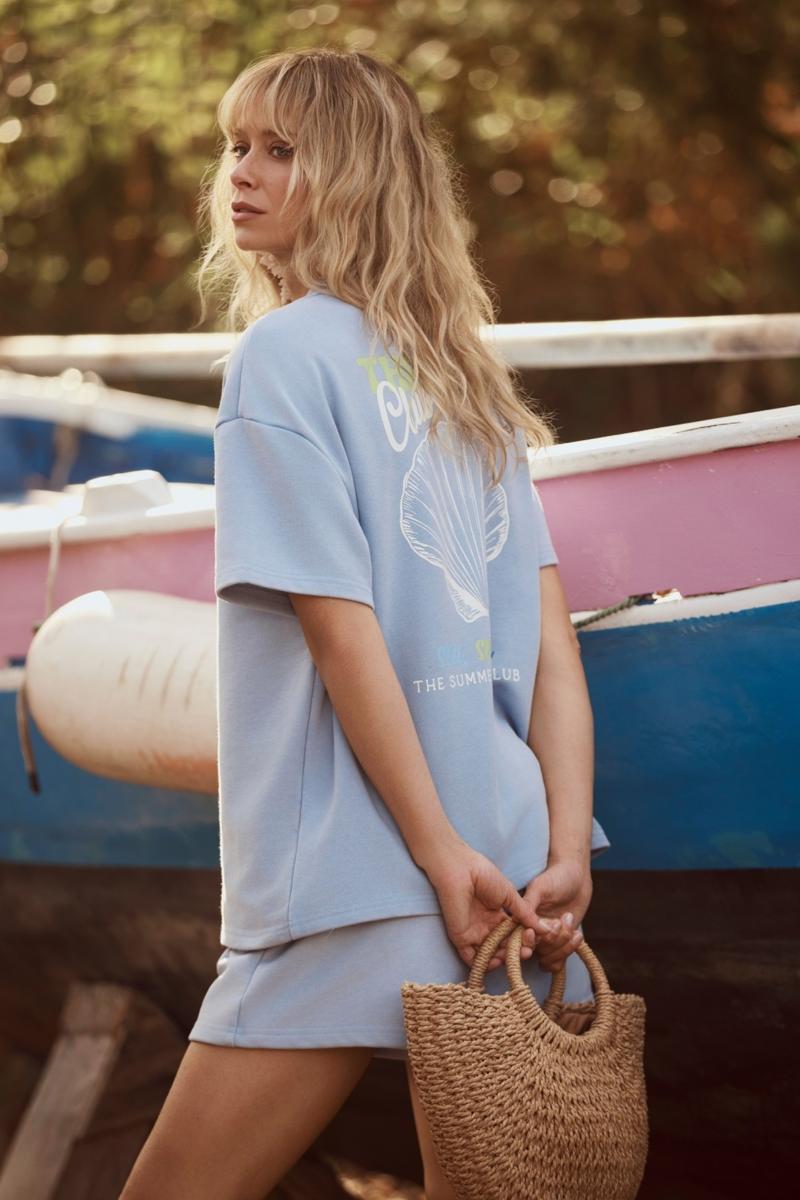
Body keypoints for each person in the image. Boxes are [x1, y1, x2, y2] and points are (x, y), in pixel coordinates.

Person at [120, 45, 611, 1200]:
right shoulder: (460, 376)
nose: (239, 174)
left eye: (279, 151)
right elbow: (552, 650)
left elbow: (344, 639)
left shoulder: (279, 358)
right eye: (235, 147)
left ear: (353, 178)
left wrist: (438, 859)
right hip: (512, 880)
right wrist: (561, 851)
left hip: (367, 877)